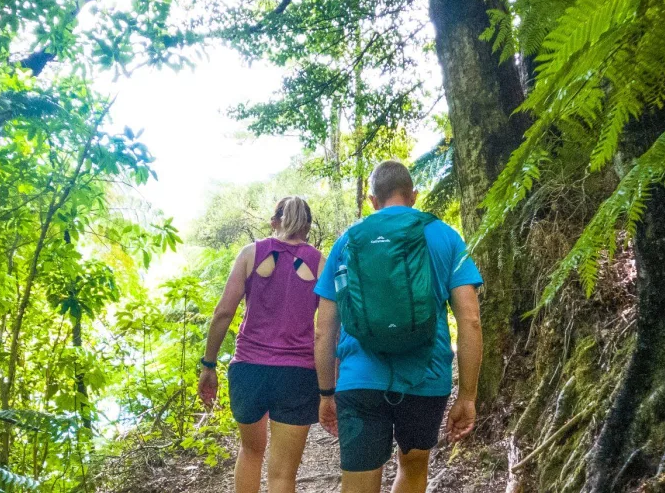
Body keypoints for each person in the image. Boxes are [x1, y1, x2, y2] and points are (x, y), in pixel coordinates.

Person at [314, 160, 483, 493]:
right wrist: (467, 396)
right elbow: (471, 320)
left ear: (372, 200)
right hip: (426, 378)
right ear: (414, 196)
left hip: (359, 380)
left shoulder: (348, 241)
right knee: (414, 468)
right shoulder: (446, 237)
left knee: (359, 479)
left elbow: (324, 330)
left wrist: (325, 393)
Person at [199, 196, 325, 493]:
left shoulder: (250, 254)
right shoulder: (321, 262)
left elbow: (223, 313)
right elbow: (328, 328)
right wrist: (331, 383)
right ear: (307, 226)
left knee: (251, 452)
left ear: (273, 222)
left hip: (249, 370)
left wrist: (209, 364)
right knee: (282, 475)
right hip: (297, 374)